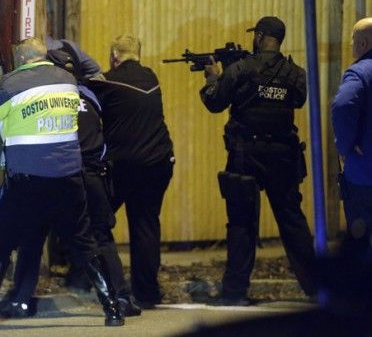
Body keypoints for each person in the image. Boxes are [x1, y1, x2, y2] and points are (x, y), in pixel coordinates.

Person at [0, 37, 124, 329]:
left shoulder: (13, 84)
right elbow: (36, 103)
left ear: (21, 60)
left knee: (1, 247)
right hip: (68, 180)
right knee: (86, 246)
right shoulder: (67, 81)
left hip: (26, 182)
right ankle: (112, 309)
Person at [200, 16, 316, 305]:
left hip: (246, 155)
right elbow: (299, 100)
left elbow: (215, 102)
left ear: (261, 36)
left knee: (241, 223)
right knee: (292, 223)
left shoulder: (240, 69)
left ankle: (235, 293)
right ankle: (318, 288)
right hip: (283, 156)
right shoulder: (296, 74)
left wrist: (213, 76)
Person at [85, 34, 174, 309]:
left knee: (95, 220)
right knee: (145, 224)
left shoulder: (107, 81)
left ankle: (109, 286)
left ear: (114, 55)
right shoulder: (152, 77)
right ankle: (147, 294)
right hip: (158, 162)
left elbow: (85, 93)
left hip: (123, 166)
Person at [332, 17, 372, 253]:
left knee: (361, 241)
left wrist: (346, 146)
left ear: (364, 43)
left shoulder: (359, 73)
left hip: (365, 174)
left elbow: (343, 105)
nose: (351, 47)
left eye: (353, 42)